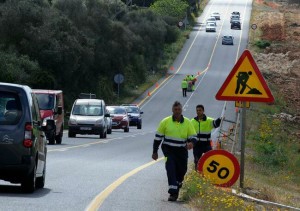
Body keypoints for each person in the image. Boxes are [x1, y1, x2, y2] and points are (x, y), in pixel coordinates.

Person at [152, 101, 197, 201]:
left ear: (182, 110)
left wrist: (191, 143)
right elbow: (158, 138)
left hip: (182, 151)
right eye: (175, 109)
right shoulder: (165, 121)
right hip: (169, 150)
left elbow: (194, 137)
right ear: (172, 110)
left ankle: (177, 185)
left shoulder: (187, 122)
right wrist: (155, 151)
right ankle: (173, 193)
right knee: (171, 168)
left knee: (182, 171)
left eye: (179, 109)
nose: (177, 111)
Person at [190, 104, 222, 170]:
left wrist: (220, 119)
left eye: (200, 110)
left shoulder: (209, 120)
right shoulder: (192, 121)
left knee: (210, 159)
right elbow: (189, 133)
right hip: (197, 145)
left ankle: (209, 174)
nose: (198, 112)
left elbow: (216, 124)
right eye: (197, 110)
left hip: (206, 144)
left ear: (203, 111)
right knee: (197, 161)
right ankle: (197, 175)